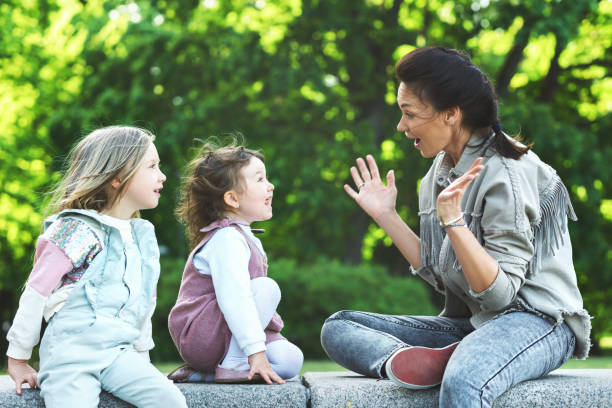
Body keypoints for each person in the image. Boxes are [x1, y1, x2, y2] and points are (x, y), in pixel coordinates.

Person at [320, 46, 590, 408]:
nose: (401, 126)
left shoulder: (506, 173)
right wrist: (387, 216)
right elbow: (440, 273)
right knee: (340, 327)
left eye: (409, 114)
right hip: (477, 324)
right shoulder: (439, 173)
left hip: (537, 322)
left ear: (450, 114)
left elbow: (501, 295)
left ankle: (459, 362)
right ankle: (426, 362)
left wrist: (455, 222)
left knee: (464, 383)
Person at [5, 126, 187, 408]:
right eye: (152, 166)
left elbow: (142, 304)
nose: (161, 175)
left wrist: (142, 360)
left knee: (170, 400)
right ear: (117, 177)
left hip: (118, 354)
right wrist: (18, 359)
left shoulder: (140, 237)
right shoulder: (76, 228)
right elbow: (36, 293)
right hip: (70, 355)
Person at [167, 139, 303, 385]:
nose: (270, 186)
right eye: (260, 179)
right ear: (232, 199)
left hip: (226, 335)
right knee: (267, 287)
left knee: (290, 360)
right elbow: (235, 298)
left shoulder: (245, 237)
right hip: (203, 336)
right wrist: (256, 351)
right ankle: (233, 365)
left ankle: (206, 374)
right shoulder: (226, 238)